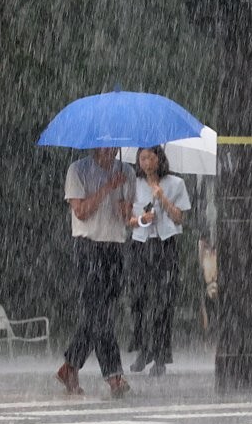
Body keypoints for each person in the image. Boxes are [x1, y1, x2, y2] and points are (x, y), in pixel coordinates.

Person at [55, 147, 136, 399]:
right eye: (105, 145)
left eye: (114, 146)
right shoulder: (78, 170)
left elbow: (125, 218)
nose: (110, 151)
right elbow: (81, 211)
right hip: (88, 247)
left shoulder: (128, 171)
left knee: (98, 315)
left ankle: (70, 367)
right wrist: (108, 187)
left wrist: (124, 205)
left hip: (114, 247)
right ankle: (114, 376)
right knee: (100, 315)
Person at [126, 145, 191, 376]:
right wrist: (143, 219)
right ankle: (144, 349)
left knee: (164, 301)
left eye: (149, 158)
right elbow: (127, 219)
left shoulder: (176, 184)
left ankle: (161, 356)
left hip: (165, 245)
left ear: (158, 158)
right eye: (141, 158)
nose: (145, 163)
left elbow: (179, 217)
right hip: (141, 245)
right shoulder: (132, 184)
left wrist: (161, 197)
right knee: (139, 299)